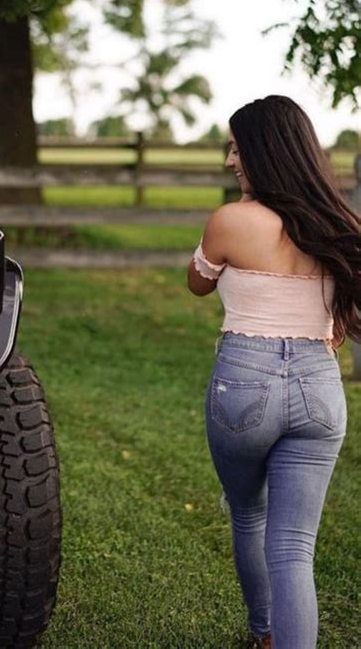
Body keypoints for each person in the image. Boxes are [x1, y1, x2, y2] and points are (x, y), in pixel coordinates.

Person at [186, 95, 361, 649]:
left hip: (245, 381)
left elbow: (197, 282)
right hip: (319, 385)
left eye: (237, 149)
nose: (231, 161)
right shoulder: (339, 224)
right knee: (293, 547)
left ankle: (263, 634)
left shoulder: (232, 220)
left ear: (261, 151)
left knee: (248, 515)